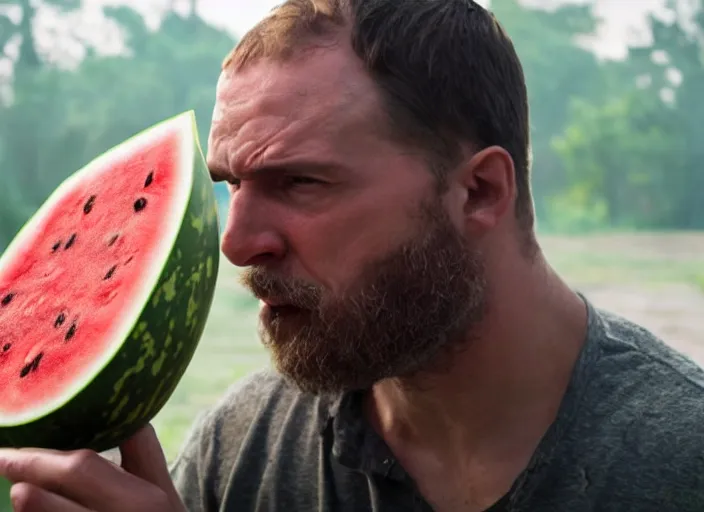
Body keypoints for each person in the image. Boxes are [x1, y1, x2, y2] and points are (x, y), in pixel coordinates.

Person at [1, 0, 704, 510]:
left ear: (479, 192)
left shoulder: (679, 462)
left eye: (300, 181)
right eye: (231, 185)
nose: (238, 243)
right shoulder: (240, 453)